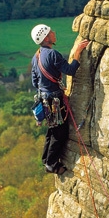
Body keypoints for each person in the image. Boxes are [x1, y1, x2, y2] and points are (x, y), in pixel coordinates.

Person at [31, 23, 89, 175]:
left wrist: (48, 83)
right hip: (54, 101)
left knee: (52, 130)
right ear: (46, 38)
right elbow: (70, 70)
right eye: (51, 32)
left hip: (45, 101)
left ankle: (47, 160)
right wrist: (77, 52)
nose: (54, 32)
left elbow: (35, 82)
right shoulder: (52, 55)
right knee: (60, 133)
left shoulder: (36, 56)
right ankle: (51, 164)